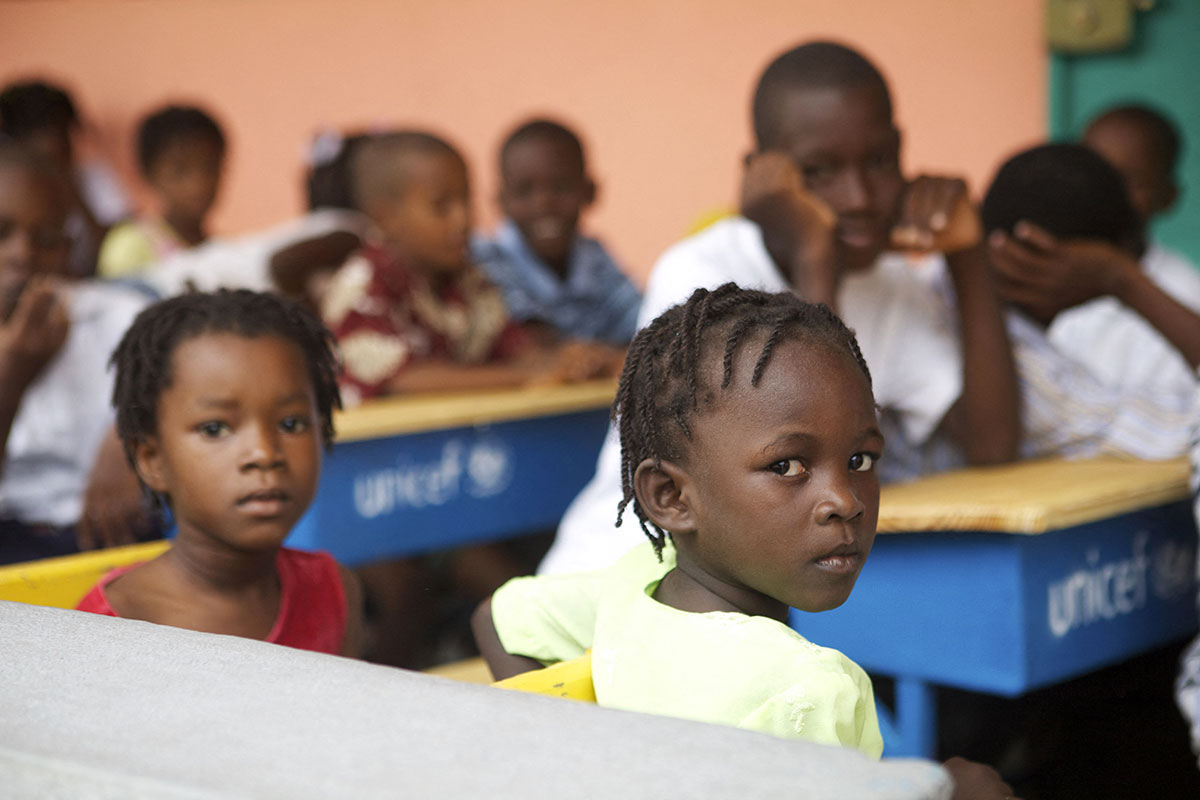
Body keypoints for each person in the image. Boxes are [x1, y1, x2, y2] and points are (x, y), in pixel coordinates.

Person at [474, 284, 1018, 800]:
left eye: (860, 460)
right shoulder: (807, 691)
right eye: (787, 466)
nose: (844, 500)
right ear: (670, 496)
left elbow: (499, 618)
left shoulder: (636, 585)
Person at [538, 40, 1020, 575]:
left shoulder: (889, 287)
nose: (858, 196)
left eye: (879, 161)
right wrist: (815, 250)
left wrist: (967, 255)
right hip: (627, 576)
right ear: (760, 176)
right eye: (819, 172)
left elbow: (992, 442)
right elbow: (799, 426)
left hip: (760, 593)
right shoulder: (700, 276)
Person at [75, 289, 364, 657]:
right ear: (152, 460)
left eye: (291, 423)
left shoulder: (334, 589)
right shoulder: (117, 626)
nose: (263, 453)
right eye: (215, 429)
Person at [320, 129, 619, 405]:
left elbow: (516, 350)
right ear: (385, 218)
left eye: (466, 201)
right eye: (442, 206)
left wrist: (574, 361)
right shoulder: (363, 287)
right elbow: (404, 380)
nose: (463, 220)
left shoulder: (467, 279)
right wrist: (530, 376)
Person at [980, 142, 1199, 460]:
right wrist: (1121, 279)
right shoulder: (1038, 386)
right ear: (1049, 260)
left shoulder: (938, 290)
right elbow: (1185, 431)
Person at [0, 141, 152, 564]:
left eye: (45, 238)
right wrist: (12, 376)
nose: (22, 254)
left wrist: (131, 435)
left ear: (67, 251)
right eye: (1, 233)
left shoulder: (121, 318)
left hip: (114, 533)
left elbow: (184, 386)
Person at [472, 118, 641, 345]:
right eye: (524, 191)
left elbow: (642, 321)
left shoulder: (595, 256)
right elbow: (529, 343)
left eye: (561, 187)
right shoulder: (486, 259)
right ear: (501, 200)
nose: (544, 205)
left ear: (590, 192)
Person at [0, 79, 132, 277]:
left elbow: (118, 251)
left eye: (64, 133)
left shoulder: (93, 177)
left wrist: (70, 188)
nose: (23, 253)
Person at [97, 104, 226, 279]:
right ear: (149, 174)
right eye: (180, 171)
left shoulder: (224, 251)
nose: (199, 183)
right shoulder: (130, 245)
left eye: (210, 167)